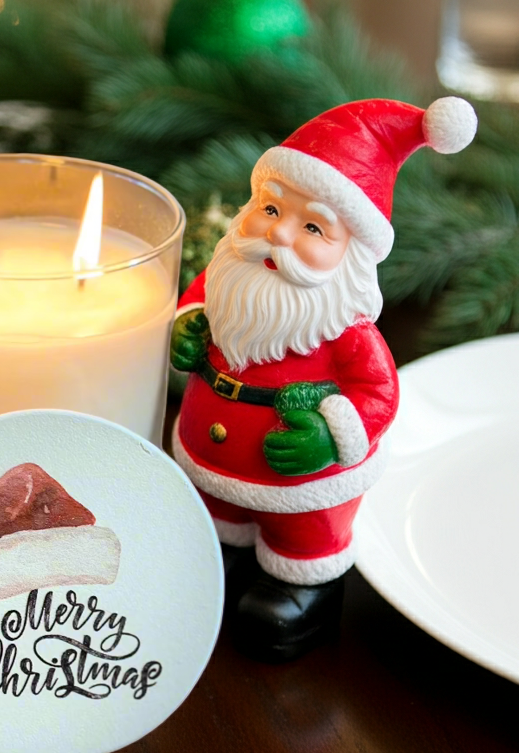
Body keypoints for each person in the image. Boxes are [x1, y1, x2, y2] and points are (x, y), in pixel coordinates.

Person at [170, 97, 477, 659]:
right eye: (270, 210)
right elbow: (198, 305)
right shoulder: (226, 282)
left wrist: (329, 435)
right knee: (214, 523)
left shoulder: (345, 330)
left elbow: (378, 392)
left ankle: (300, 585)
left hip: (302, 491)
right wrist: (188, 328)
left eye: (312, 226)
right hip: (212, 462)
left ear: (351, 256)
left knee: (302, 537)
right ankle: (221, 553)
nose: (280, 235)